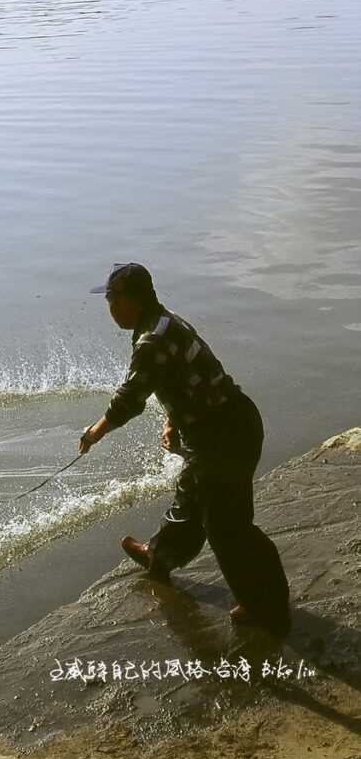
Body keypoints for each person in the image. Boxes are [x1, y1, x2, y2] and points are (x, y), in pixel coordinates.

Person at [79, 262, 291, 635]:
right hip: (228, 423)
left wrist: (94, 432)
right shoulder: (166, 320)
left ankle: (267, 604)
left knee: (228, 528)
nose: (109, 308)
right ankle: (160, 556)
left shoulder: (151, 341)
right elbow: (191, 375)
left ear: (130, 300)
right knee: (192, 495)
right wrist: (173, 420)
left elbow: (130, 399)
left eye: (111, 299)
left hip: (223, 436)